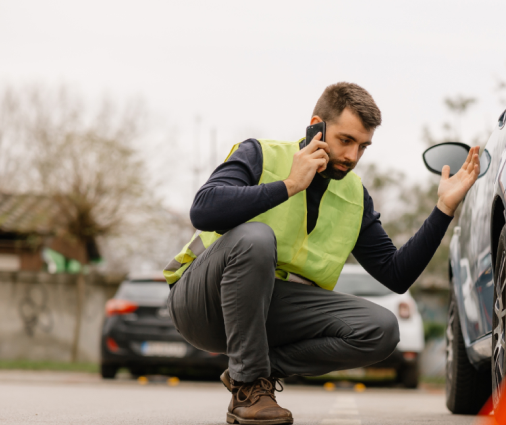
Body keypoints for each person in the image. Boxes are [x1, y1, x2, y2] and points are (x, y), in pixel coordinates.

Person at [164, 82, 479, 425]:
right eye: (346, 141)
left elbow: (396, 274)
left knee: (382, 328)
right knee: (255, 238)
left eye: (363, 146)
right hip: (202, 303)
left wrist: (444, 209)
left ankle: (249, 372)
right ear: (317, 125)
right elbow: (203, 210)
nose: (353, 157)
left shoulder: (354, 195)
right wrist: (289, 185)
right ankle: (250, 385)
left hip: (273, 310)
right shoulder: (261, 154)